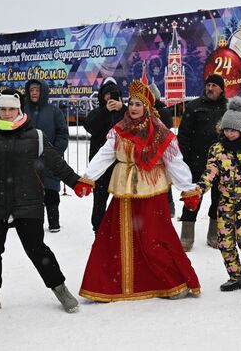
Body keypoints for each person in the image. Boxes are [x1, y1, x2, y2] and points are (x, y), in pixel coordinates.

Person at [0, 91, 93, 316]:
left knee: (37, 250)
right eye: (2, 109)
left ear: (19, 110)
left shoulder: (36, 136)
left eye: (11, 109)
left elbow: (56, 163)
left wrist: (75, 182)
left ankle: (59, 288)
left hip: (29, 203)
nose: (7, 114)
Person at [79, 80, 201, 302]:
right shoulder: (118, 131)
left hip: (151, 192)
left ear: (147, 107)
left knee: (153, 238)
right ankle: (108, 285)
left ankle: (172, 282)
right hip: (123, 191)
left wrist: (188, 189)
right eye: (132, 103)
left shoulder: (161, 133)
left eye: (139, 104)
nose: (134, 108)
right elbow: (105, 155)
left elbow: (175, 162)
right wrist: (88, 178)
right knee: (114, 237)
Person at [197, 97, 241, 291]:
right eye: (226, 129)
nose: (229, 133)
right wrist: (199, 190)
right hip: (226, 202)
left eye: (233, 130)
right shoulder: (217, 149)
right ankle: (236, 276)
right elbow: (210, 172)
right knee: (225, 242)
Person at [177, 74, 228, 251]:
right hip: (196, 162)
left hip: (222, 163)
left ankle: (214, 235)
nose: (210, 88)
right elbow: (183, 135)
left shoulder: (228, 108)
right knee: (192, 198)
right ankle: (186, 237)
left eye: (214, 85)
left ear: (221, 88)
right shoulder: (194, 106)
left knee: (219, 199)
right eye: (208, 85)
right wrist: (185, 159)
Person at [23, 79, 69, 233]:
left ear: (43, 91)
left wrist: (55, 153)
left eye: (37, 90)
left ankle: (53, 222)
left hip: (49, 159)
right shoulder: (23, 110)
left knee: (51, 191)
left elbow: (62, 134)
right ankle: (32, 224)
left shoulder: (54, 111)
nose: (34, 93)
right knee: (29, 192)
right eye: (31, 90)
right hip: (27, 159)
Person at [83, 77, 125, 233]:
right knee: (99, 200)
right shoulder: (97, 112)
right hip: (100, 164)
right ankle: (98, 229)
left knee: (121, 199)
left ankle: (119, 229)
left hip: (121, 163)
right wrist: (105, 111)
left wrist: (122, 108)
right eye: (107, 95)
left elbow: (137, 122)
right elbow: (90, 126)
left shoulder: (125, 111)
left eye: (113, 95)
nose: (110, 98)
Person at [149, 81, 176, 217]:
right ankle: (169, 206)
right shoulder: (165, 111)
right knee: (165, 179)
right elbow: (169, 128)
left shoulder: (150, 112)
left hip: (151, 149)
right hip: (163, 148)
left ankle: (157, 205)